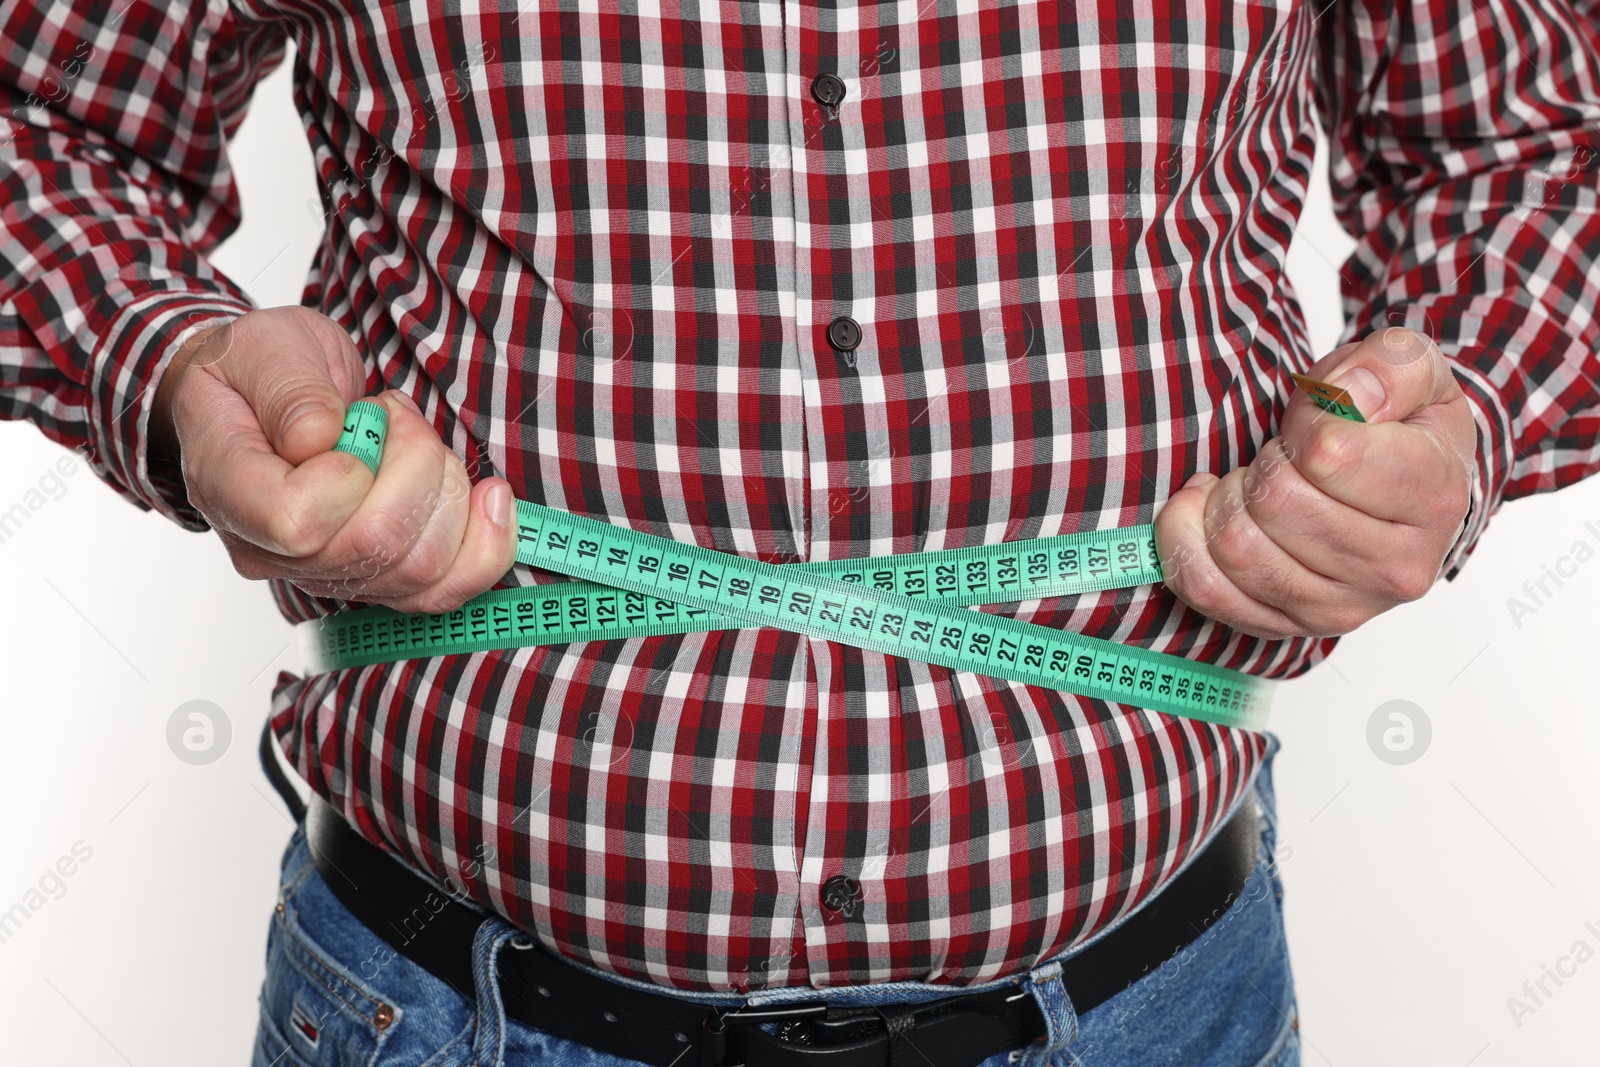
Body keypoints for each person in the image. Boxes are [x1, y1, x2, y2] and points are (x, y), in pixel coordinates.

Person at [2, 0, 1596, 1063]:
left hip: (1157, 1001)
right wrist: (183, 374)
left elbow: (1525, 147)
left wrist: (1454, 429)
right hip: (444, 1002)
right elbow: (44, 120)